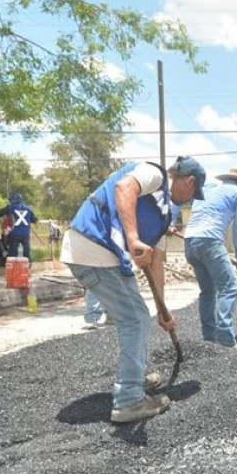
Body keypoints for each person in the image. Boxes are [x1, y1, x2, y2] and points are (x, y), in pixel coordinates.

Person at [61, 155, 206, 423]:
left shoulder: (164, 214)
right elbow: (124, 188)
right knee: (136, 319)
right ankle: (128, 400)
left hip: (103, 254)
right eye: (193, 194)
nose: (190, 200)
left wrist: (162, 308)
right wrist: (133, 238)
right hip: (94, 246)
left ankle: (135, 380)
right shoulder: (155, 174)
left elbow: (156, 263)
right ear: (189, 180)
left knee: (139, 314)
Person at [183, 166, 237, 348]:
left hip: (189, 241)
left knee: (208, 290)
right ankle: (225, 337)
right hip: (210, 241)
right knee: (230, 287)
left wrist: (171, 222)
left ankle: (209, 336)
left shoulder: (208, 188)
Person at [0, 192, 38, 261]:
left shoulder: (10, 207)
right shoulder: (28, 209)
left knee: (13, 252)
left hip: (14, 233)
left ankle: (13, 267)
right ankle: (27, 265)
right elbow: (35, 220)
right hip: (25, 234)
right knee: (26, 251)